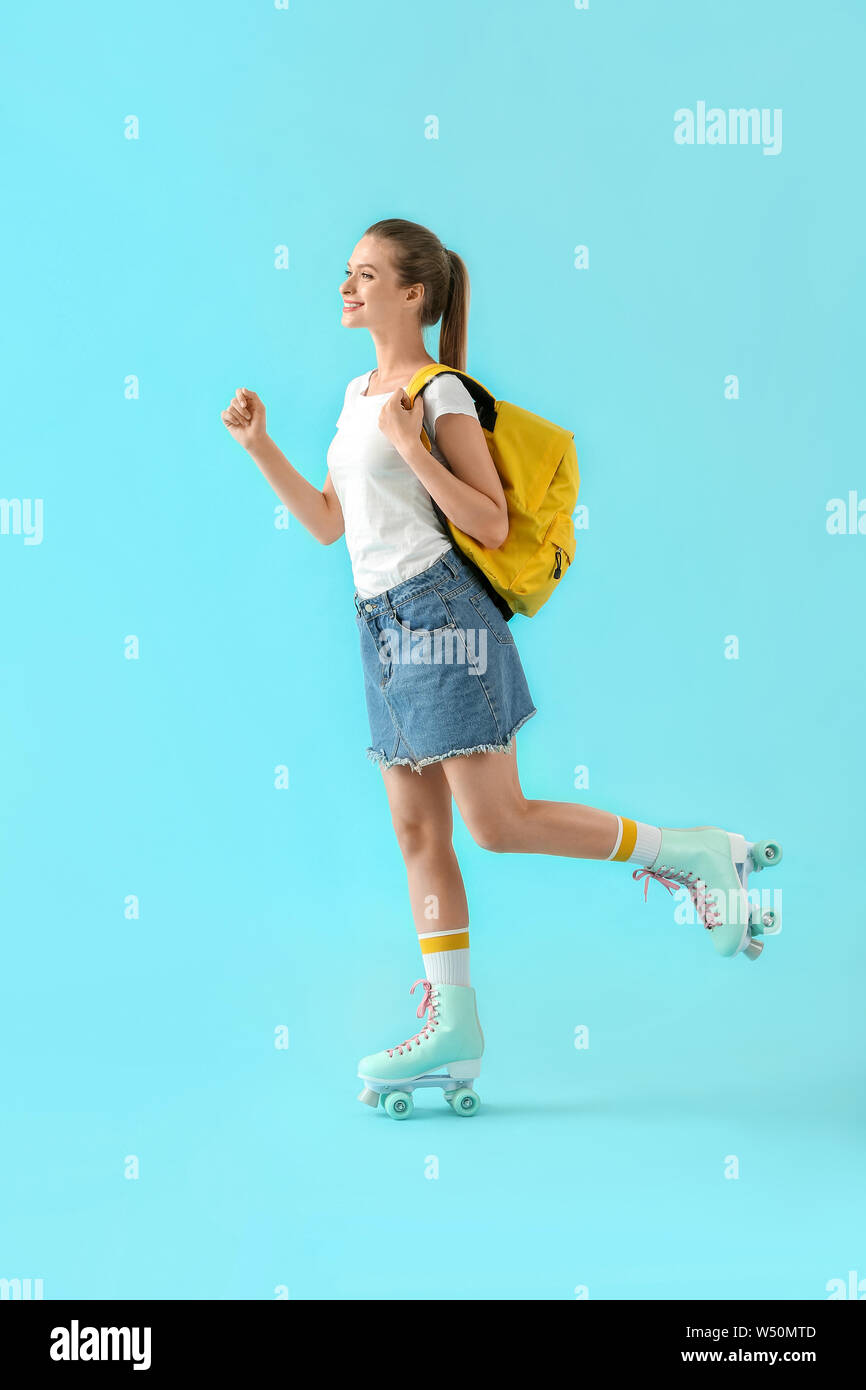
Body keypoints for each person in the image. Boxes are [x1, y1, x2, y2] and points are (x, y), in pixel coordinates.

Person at [221, 217, 782, 1114]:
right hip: (380, 625)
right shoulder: (358, 390)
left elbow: (488, 522)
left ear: (413, 293)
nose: (346, 287)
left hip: (441, 615)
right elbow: (332, 523)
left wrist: (411, 448)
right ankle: (455, 1027)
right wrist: (260, 449)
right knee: (417, 834)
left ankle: (698, 855)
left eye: (365, 275)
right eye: (346, 274)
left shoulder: (438, 395)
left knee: (496, 822)